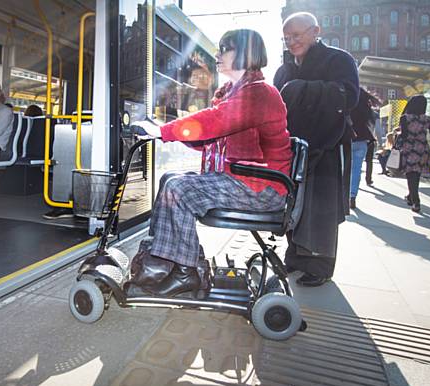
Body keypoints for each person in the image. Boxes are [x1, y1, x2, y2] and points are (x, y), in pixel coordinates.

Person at [130, 29, 292, 298]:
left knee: (179, 190)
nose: (218, 55)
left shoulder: (259, 93)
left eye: (224, 48)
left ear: (244, 53)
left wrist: (163, 131)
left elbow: (216, 120)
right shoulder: (237, 92)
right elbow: (210, 136)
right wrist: (163, 132)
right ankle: (163, 260)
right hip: (247, 181)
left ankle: (186, 272)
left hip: (263, 189)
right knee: (169, 178)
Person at [274, 12, 359, 287]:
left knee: (320, 208)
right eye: (287, 38)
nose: (291, 42)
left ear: (315, 31)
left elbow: (348, 95)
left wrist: (303, 89)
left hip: (327, 145)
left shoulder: (339, 59)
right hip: (291, 149)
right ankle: (295, 258)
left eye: (296, 36)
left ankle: (320, 267)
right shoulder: (284, 68)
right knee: (294, 206)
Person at [397, 95, 430, 213]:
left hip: (409, 149)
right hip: (422, 151)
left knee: (410, 175)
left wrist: (398, 133)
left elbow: (404, 136)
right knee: (416, 175)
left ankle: (416, 202)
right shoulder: (428, 119)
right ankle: (411, 197)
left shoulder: (404, 118)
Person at [349, 88, 380, 209]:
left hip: (347, 140)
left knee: (344, 169)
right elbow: (371, 127)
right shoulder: (366, 110)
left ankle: (344, 195)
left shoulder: (348, 106)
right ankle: (352, 196)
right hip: (362, 141)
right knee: (356, 169)